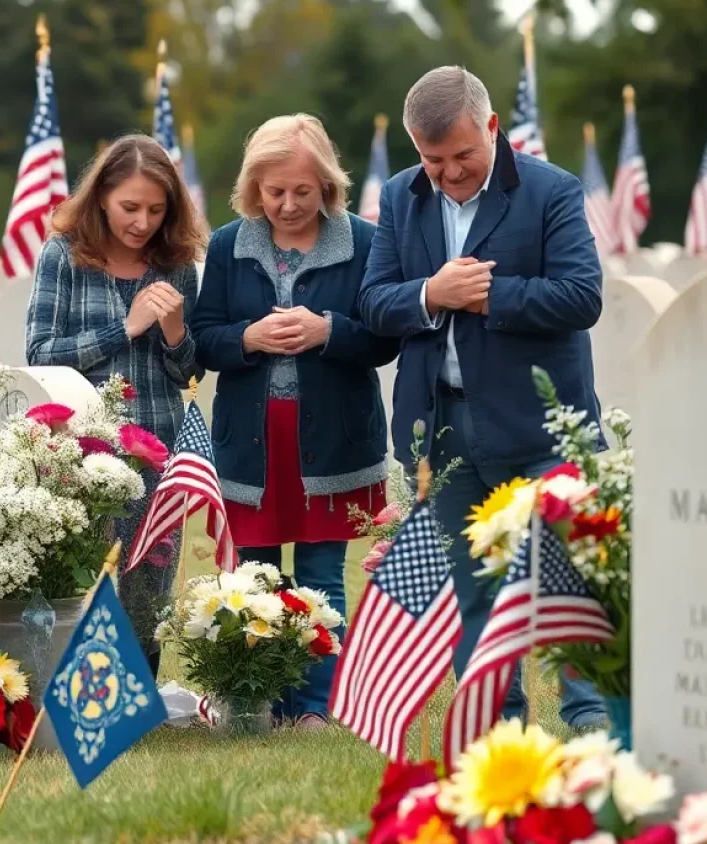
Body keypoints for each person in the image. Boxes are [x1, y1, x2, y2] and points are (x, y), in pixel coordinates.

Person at [358, 66, 607, 732]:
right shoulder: (404, 197)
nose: (449, 172)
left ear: (492, 128)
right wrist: (430, 294)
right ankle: (495, 726)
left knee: (568, 576)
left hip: (539, 424)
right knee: (473, 588)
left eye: (462, 155)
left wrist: (490, 294)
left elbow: (582, 296)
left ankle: (591, 719)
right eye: (432, 159)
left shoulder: (551, 191)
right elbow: (374, 302)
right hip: (444, 423)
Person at [191, 114, 399, 728]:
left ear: (328, 187)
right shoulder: (230, 245)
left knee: (319, 577)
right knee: (250, 577)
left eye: (302, 192)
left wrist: (328, 330)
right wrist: (248, 337)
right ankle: (258, 701)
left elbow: (384, 338)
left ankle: (314, 706)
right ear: (253, 188)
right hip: (251, 442)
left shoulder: (363, 242)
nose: (286, 204)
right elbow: (204, 341)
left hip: (330, 440)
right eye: (274, 192)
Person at [25, 133, 205, 675]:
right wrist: (125, 328)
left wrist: (174, 331)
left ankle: (135, 688)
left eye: (156, 209)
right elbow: (38, 353)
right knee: (75, 567)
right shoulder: (64, 255)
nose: (142, 221)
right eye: (130, 206)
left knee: (148, 573)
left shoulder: (176, 265)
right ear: (101, 195)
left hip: (157, 443)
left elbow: (188, 372)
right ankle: (53, 680)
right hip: (80, 444)